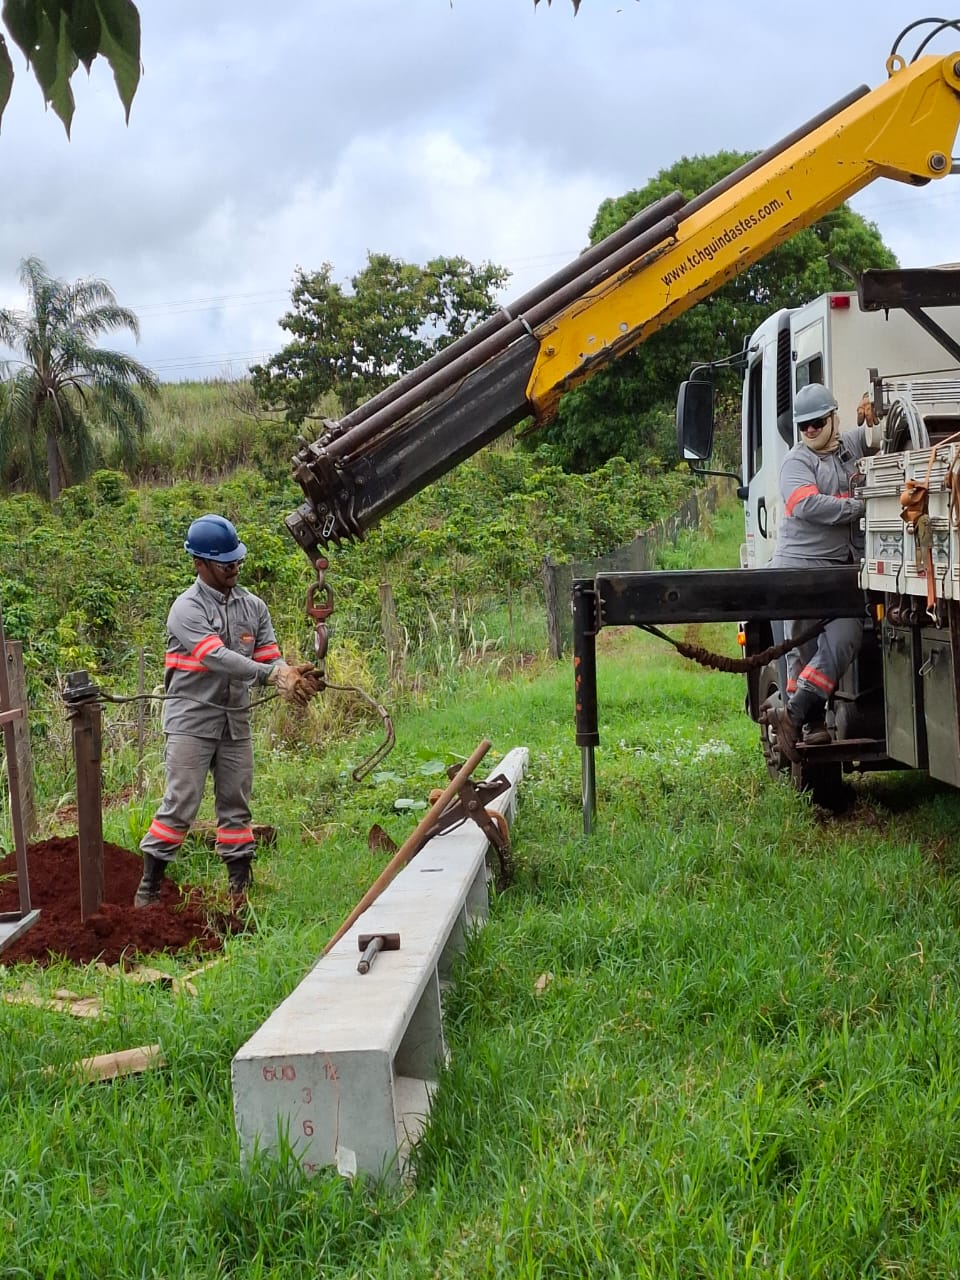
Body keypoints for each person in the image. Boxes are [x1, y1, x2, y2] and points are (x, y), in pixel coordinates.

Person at [134, 514, 319, 907]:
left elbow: (269, 656)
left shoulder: (253, 606)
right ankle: (149, 886)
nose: (234, 567)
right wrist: (273, 676)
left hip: (235, 720)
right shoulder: (185, 609)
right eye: (225, 563)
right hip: (192, 721)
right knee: (181, 803)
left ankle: (240, 888)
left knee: (236, 803)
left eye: (237, 560)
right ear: (199, 564)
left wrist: (292, 674)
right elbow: (216, 657)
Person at [763, 382, 881, 759]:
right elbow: (807, 505)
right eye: (804, 426)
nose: (811, 431)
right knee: (802, 652)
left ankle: (792, 716)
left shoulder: (847, 446)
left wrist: (874, 410)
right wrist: (858, 506)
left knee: (846, 638)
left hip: (840, 572)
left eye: (817, 422)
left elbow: (875, 434)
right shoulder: (796, 462)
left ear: (832, 418)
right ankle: (810, 724)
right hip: (799, 572)